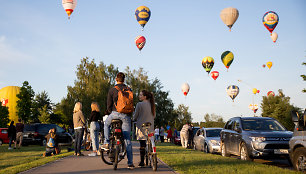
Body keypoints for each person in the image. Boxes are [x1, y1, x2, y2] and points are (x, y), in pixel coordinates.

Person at [102, 72, 134, 169]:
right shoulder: (129, 89)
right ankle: (130, 163)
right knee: (127, 139)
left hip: (114, 114)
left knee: (106, 125)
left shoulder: (112, 90)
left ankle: (107, 142)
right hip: (126, 116)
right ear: (124, 79)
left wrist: (109, 111)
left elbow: (108, 105)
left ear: (116, 79)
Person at [133, 90, 156, 167]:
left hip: (141, 126)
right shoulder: (152, 105)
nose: (139, 96)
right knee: (151, 140)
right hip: (150, 126)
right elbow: (154, 116)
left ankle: (142, 161)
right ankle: (153, 157)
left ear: (145, 97)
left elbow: (135, 115)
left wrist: (133, 119)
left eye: (140, 95)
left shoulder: (139, 104)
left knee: (142, 144)